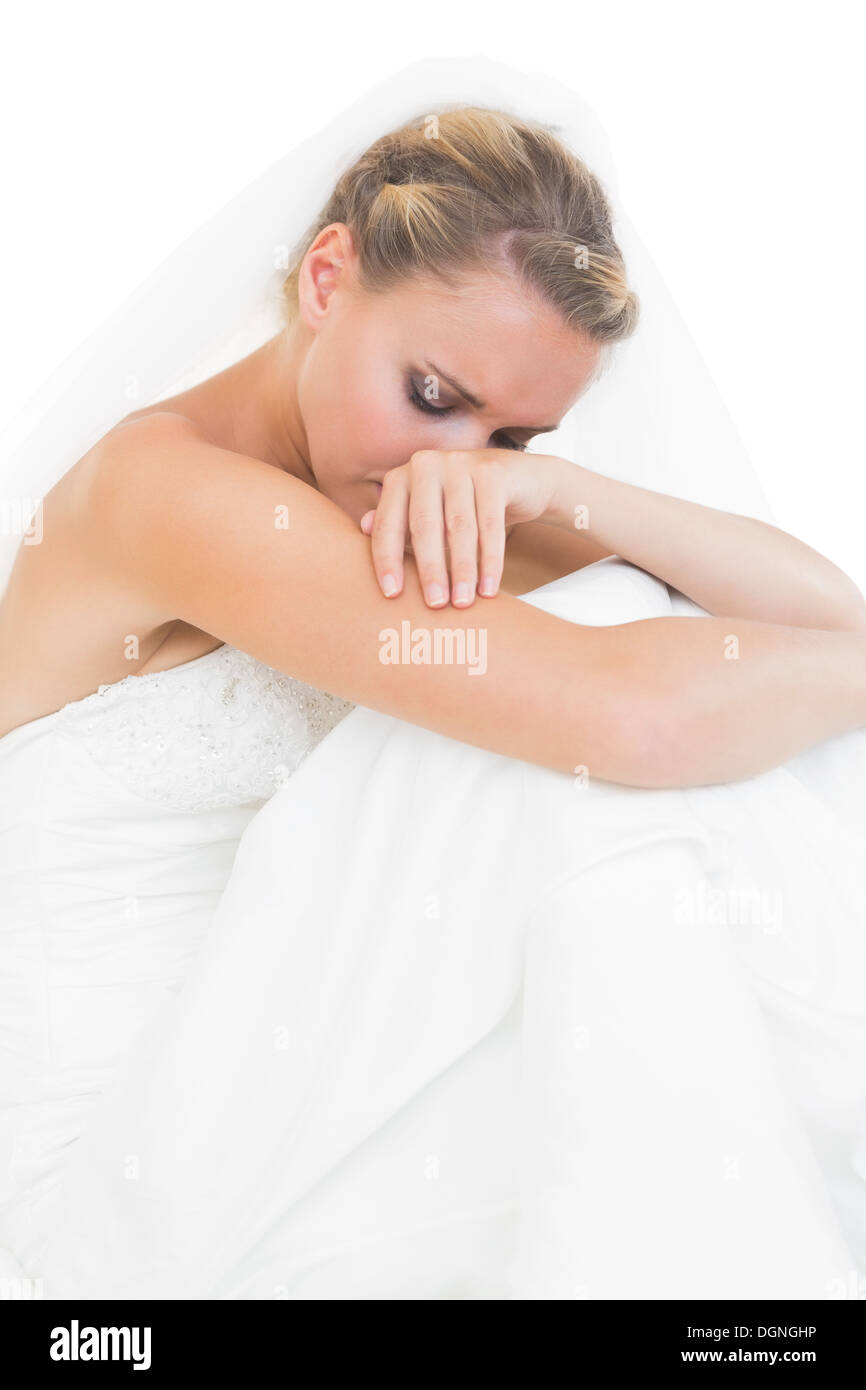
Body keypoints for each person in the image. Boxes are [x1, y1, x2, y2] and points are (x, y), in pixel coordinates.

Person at [2, 102, 865, 1301]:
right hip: (116, 1196)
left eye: (508, 430)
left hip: (310, 1098)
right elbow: (629, 718)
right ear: (323, 277)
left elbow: (823, 624)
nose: (448, 462)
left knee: (632, 638)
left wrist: (558, 488)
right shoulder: (164, 495)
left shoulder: (406, 489)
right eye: (430, 391)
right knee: (590, 685)